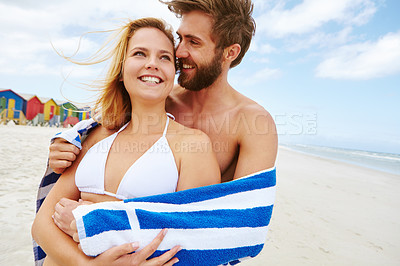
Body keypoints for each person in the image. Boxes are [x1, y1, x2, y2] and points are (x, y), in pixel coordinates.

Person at [42, 0, 278, 264]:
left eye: (194, 42)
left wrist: (100, 219)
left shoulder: (252, 123)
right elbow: (94, 139)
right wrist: (64, 150)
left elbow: (240, 226)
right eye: (180, 38)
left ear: (230, 52)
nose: (179, 51)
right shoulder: (156, 95)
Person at [32, 17, 220, 265]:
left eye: (164, 57)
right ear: (121, 71)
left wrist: (92, 217)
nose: (152, 64)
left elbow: (192, 240)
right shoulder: (97, 135)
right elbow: (41, 226)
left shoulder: (192, 145)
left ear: (173, 73)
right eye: (140, 54)